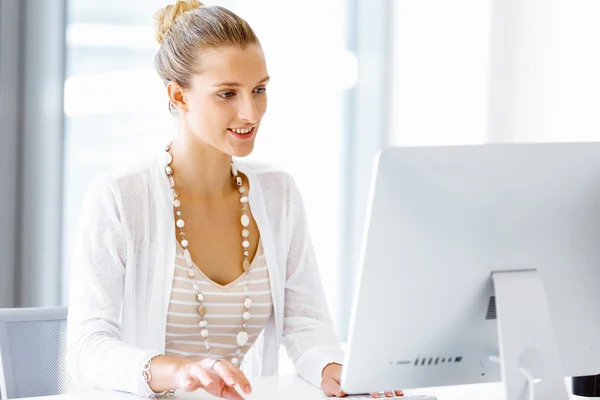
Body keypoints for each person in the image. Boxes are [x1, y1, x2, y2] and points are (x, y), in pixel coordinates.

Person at [66, 1, 402, 399]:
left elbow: (306, 324)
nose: (250, 112)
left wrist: (334, 369)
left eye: (259, 90)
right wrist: (180, 372)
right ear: (179, 96)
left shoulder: (278, 193)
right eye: (227, 93)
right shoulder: (120, 198)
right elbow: (88, 348)